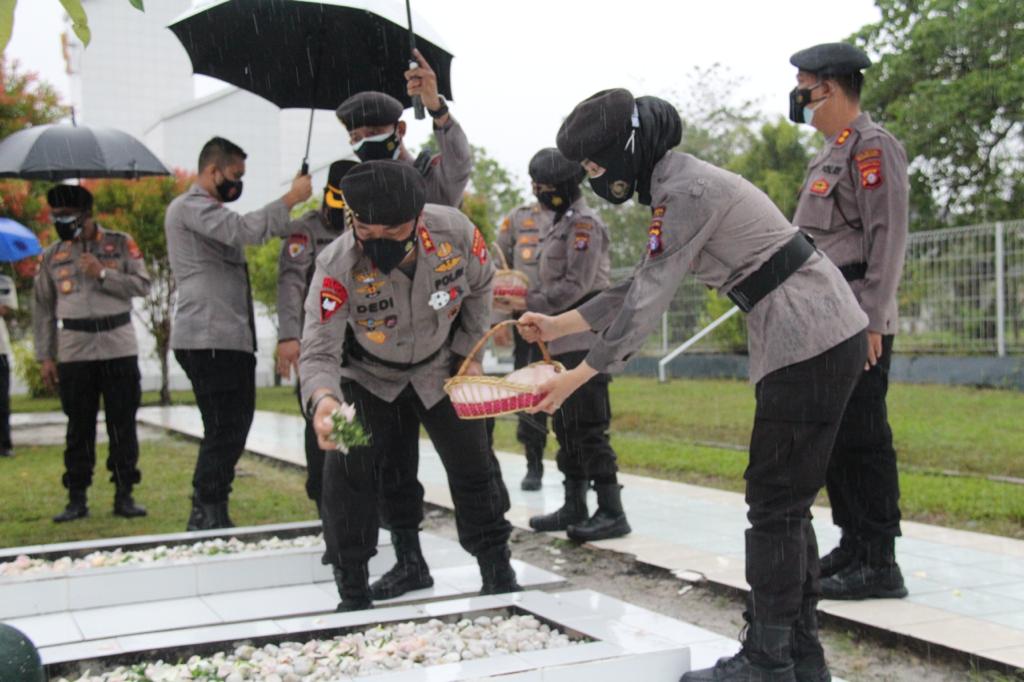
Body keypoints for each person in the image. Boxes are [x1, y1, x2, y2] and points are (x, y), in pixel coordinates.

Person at [520, 89, 868, 682]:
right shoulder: (673, 186)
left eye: (598, 167)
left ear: (628, 151)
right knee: (785, 502)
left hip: (809, 334)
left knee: (774, 502)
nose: (596, 179)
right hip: (809, 331)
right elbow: (642, 282)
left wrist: (580, 373)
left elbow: (649, 300)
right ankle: (799, 657)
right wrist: (561, 323)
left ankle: (769, 659)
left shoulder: (685, 190)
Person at [300, 160, 519, 612]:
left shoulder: (453, 231)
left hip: (442, 369)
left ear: (418, 218)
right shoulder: (334, 263)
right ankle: (354, 589)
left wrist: (470, 350)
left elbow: (481, 284)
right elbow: (318, 350)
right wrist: (323, 401)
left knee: (474, 463)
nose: (378, 239)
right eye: (367, 228)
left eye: (393, 229)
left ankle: (497, 570)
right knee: (346, 472)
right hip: (363, 379)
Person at [789, 42, 910, 602]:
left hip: (857, 310)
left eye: (804, 87)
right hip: (825, 312)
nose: (799, 99)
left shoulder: (872, 147)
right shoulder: (828, 154)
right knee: (836, 434)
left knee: (864, 435)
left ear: (830, 88)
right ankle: (854, 542)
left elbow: (886, 237)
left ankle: (880, 558)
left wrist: (874, 322)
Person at [165, 136, 312, 531]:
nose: (238, 183)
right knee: (225, 426)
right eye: (235, 175)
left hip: (228, 339)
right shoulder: (191, 206)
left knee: (233, 424)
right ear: (212, 171)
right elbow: (245, 230)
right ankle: (206, 510)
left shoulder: (208, 211)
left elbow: (247, 230)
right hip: (208, 338)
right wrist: (290, 198)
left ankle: (213, 505)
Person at [502, 148, 629, 541]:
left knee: (590, 426)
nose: (538, 192)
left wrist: (527, 303)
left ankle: (611, 510)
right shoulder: (556, 222)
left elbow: (576, 286)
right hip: (557, 343)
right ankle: (574, 504)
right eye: (535, 185)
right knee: (566, 425)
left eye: (545, 187)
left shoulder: (583, 225)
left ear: (566, 186)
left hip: (584, 340)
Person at [33, 185, 151, 522]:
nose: (61, 221)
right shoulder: (52, 255)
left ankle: (125, 493)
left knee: (122, 424)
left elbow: (143, 285)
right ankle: (77, 497)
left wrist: (102, 273)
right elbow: (42, 309)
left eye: (67, 215)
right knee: (78, 427)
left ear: (87, 215)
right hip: (74, 350)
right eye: (56, 216)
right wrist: (45, 356)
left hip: (117, 344)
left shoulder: (119, 243)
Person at [277, 159, 358, 513]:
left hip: (360, 347)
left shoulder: (368, 224)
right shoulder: (305, 231)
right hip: (319, 344)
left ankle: (353, 504)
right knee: (325, 420)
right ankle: (327, 503)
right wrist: (288, 336)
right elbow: (291, 284)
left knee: (356, 428)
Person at [335, 49, 471, 207]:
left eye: (374, 132)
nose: (365, 143)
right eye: (356, 138)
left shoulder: (431, 181)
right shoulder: (358, 195)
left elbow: (459, 161)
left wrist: (436, 108)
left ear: (400, 129)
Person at [0, 275, 16, 458]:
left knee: (2, 400)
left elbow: (5, 307)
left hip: (0, 350)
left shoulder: (4, 282)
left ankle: (4, 443)